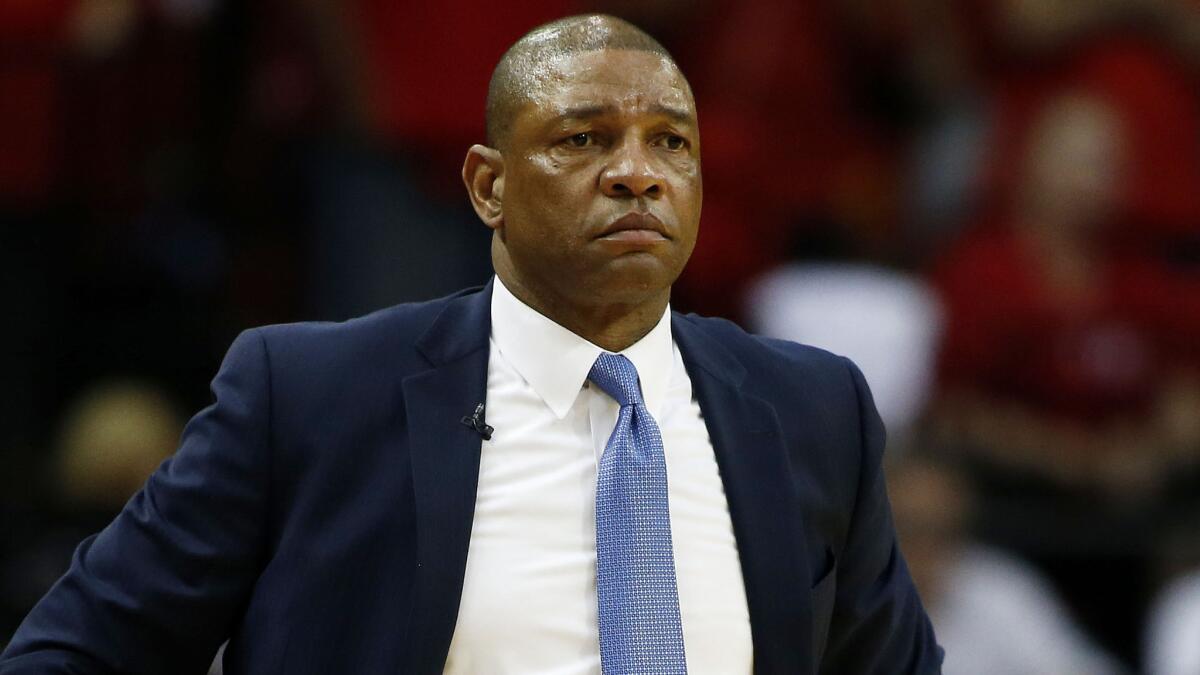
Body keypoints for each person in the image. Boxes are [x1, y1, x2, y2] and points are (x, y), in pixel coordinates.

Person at [1, 14, 942, 674]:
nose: (636, 175)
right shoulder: (311, 395)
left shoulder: (813, 410)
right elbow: (71, 651)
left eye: (671, 144)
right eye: (583, 140)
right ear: (489, 186)